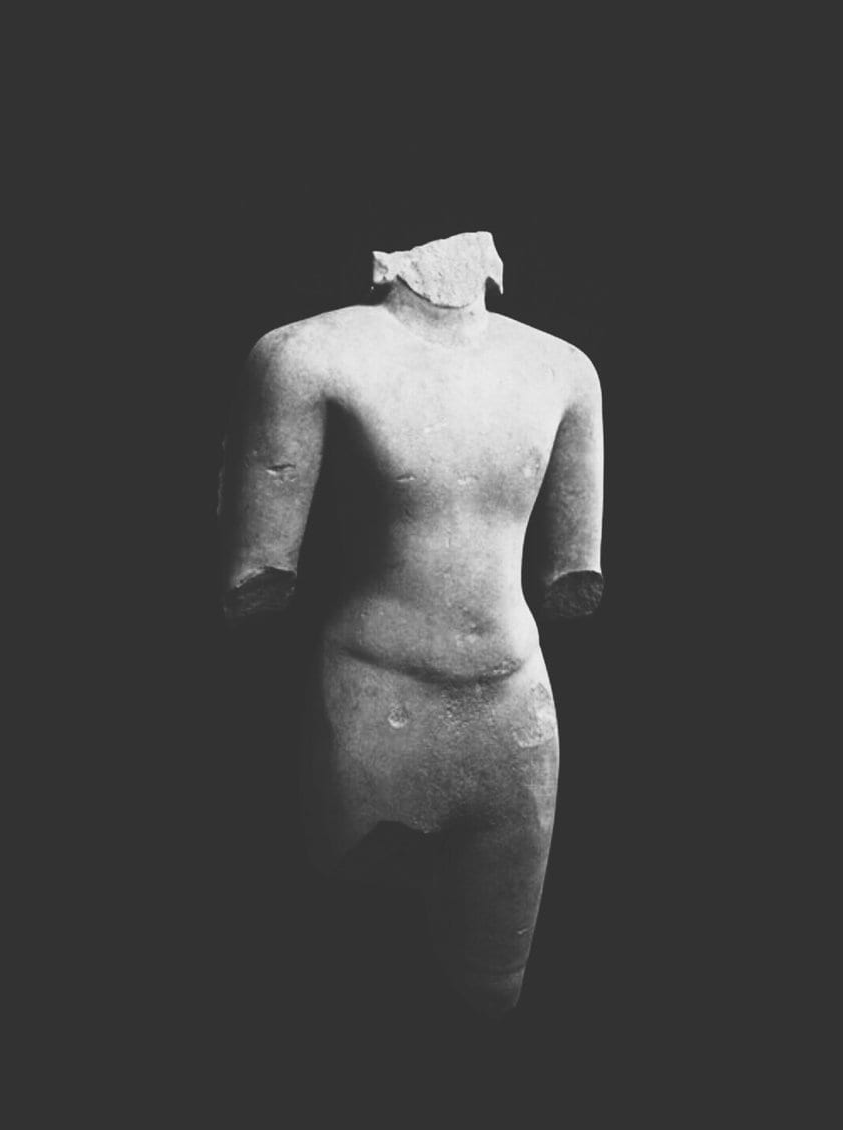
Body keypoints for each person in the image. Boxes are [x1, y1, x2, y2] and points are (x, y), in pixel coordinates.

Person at [219, 231, 603, 1014]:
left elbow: (575, 576)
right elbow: (258, 571)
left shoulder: (564, 371)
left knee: (492, 988)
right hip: (374, 705)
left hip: (515, 716)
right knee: (354, 968)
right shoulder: (306, 357)